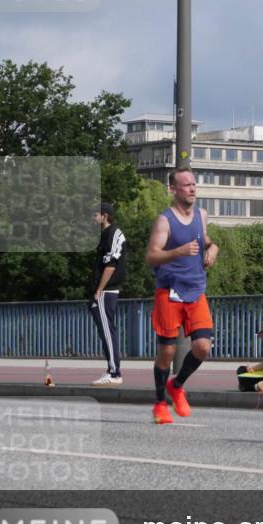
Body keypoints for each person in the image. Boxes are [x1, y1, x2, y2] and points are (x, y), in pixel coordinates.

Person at [144, 169, 218, 425]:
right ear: (173, 190)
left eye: (194, 184)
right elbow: (152, 255)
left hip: (196, 289)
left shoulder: (202, 216)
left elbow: (205, 240)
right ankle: (159, 403)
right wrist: (177, 252)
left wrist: (214, 248)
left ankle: (177, 385)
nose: (192, 189)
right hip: (169, 291)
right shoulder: (164, 221)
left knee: (203, 346)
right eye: (186, 185)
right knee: (167, 350)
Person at [89, 202, 126, 386]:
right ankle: (112, 370)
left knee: (107, 332)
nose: (93, 218)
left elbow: (111, 264)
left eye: (95, 215)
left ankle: (114, 372)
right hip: (104, 290)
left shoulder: (113, 233)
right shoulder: (105, 234)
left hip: (106, 290)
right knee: (106, 332)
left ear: (104, 215)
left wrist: (98, 290)